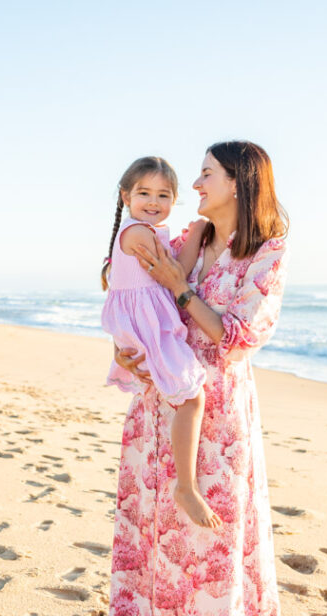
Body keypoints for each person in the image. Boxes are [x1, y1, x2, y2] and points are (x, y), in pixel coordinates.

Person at [107, 141, 290, 616]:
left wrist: (181, 291)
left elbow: (239, 337)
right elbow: (128, 288)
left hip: (217, 408)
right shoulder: (190, 237)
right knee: (155, 519)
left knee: (209, 532)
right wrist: (122, 350)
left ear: (237, 182)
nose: (196, 184)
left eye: (206, 174)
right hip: (158, 391)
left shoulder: (266, 252)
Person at [100, 156, 222, 529]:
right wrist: (199, 234)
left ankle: (180, 481)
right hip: (149, 327)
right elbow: (177, 273)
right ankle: (186, 487)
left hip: (145, 324)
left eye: (164, 195)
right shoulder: (139, 235)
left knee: (183, 397)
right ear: (125, 196)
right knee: (192, 398)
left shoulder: (143, 233)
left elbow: (170, 274)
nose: (154, 202)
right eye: (144, 193)